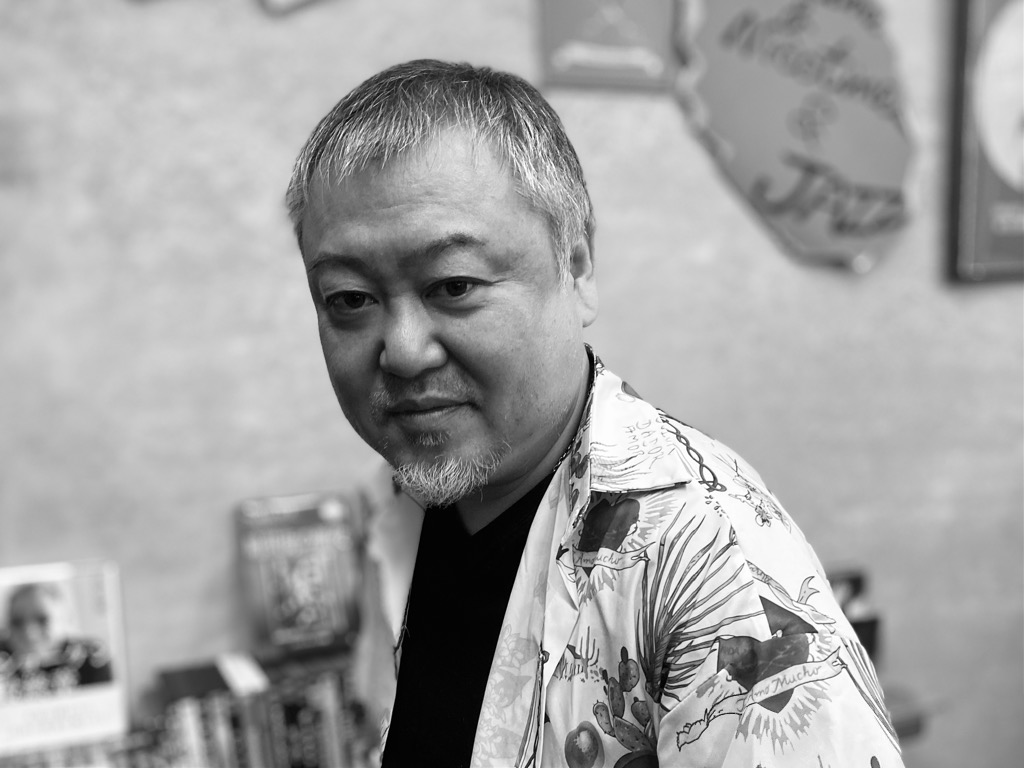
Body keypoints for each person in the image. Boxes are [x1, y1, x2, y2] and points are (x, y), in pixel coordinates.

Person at [286, 59, 904, 767]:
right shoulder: (406, 497)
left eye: (453, 285)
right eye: (350, 299)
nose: (402, 351)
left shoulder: (711, 562)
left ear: (576, 268)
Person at [0, 582, 113, 698]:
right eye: (17, 622)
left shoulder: (91, 658)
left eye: (42, 620)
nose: (30, 633)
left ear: (64, 618)